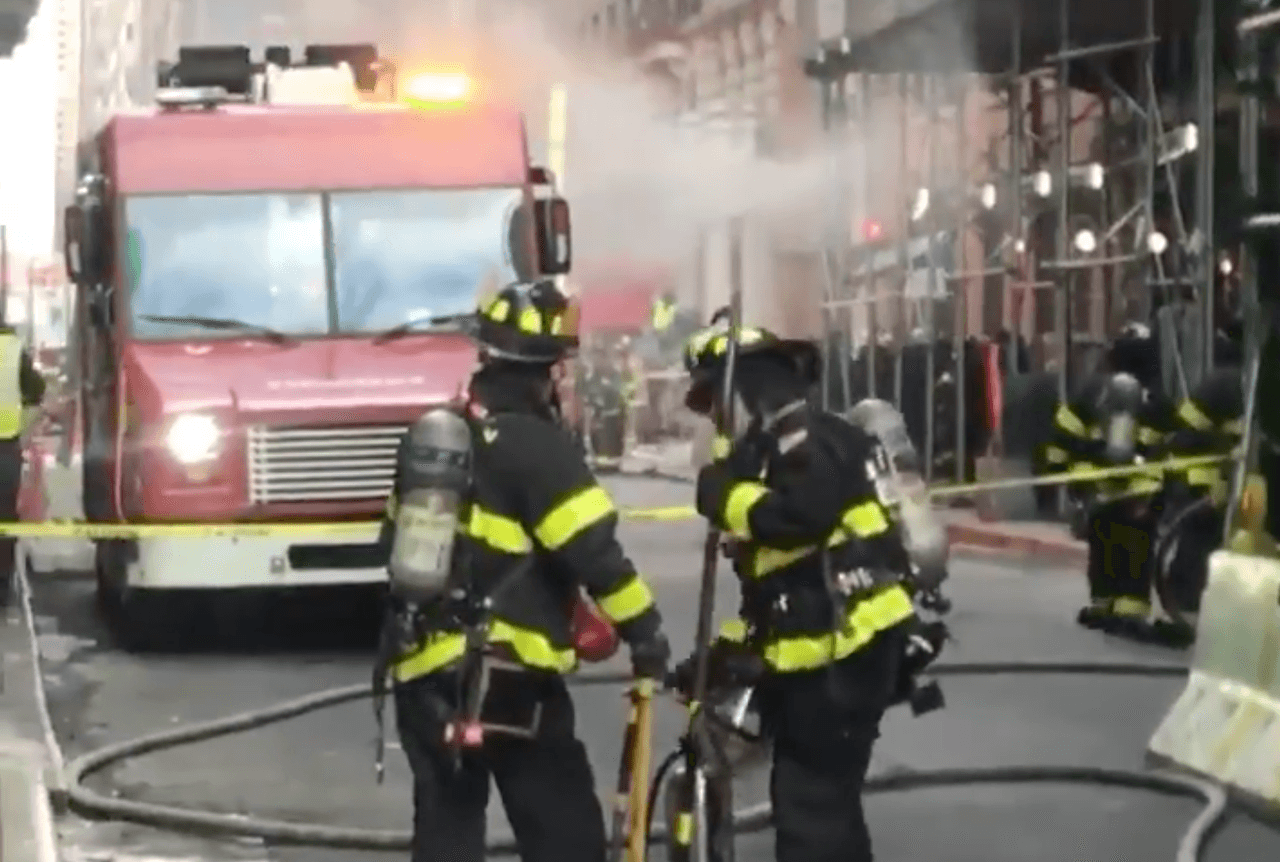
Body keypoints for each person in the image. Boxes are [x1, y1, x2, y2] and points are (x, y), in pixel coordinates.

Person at [383, 280, 671, 862]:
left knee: (446, 833)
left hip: (421, 671)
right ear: (547, 372)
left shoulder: (437, 439)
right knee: (564, 832)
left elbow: (392, 542)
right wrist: (646, 633)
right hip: (506, 675)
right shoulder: (537, 446)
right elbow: (596, 554)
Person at [677, 323, 919, 862]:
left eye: (715, 401)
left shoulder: (804, 438)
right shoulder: (790, 440)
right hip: (840, 646)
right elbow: (777, 584)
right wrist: (723, 655)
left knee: (809, 803)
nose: (714, 418)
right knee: (828, 800)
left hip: (840, 651)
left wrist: (725, 497)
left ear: (746, 390)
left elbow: (799, 518)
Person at [1043, 322, 1172, 639]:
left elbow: (1062, 437)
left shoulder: (1090, 393)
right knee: (1136, 552)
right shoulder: (1155, 399)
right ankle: (1130, 611)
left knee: (1103, 549)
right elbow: (1171, 446)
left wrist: (1066, 478)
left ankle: (1103, 606)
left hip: (1098, 492)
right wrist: (1160, 494)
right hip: (1140, 496)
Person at [0, 325, 46, 607]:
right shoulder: (11, 347)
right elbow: (36, 393)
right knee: (4, 518)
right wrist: (21, 433)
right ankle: (2, 585)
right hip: (5, 448)